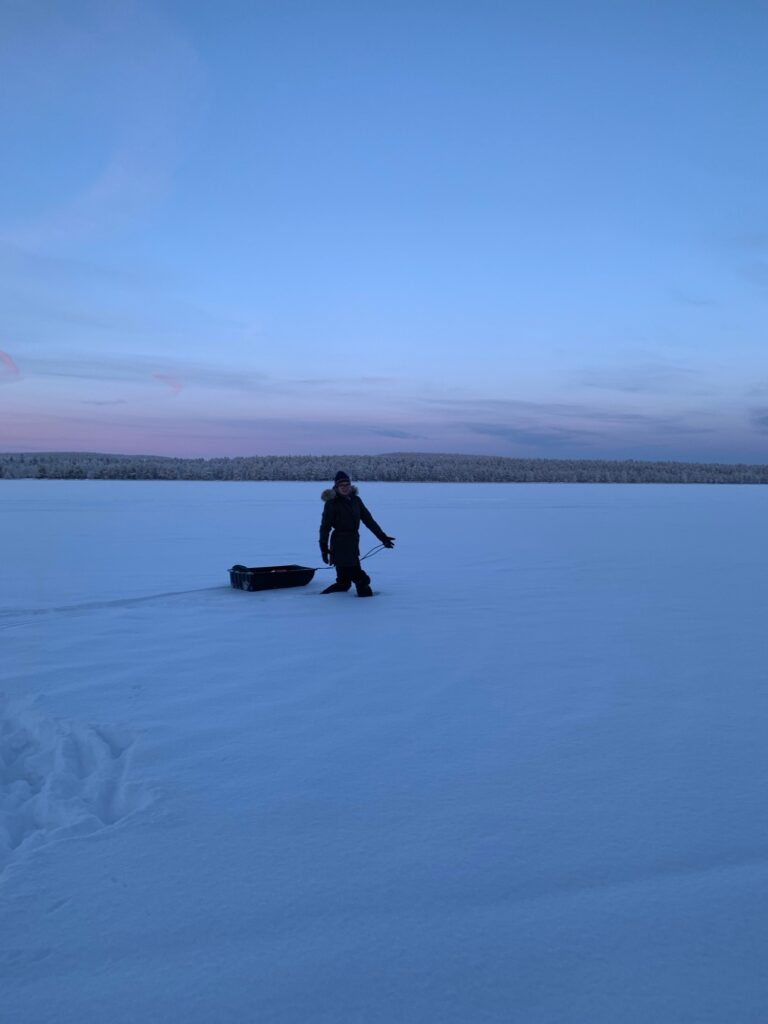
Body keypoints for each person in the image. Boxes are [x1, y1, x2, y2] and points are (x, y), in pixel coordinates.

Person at [319, 471, 395, 597]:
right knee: (359, 578)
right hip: (340, 544)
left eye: (347, 484)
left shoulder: (356, 500)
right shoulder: (332, 503)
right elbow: (325, 527)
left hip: (353, 542)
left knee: (344, 582)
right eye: (341, 485)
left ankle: (323, 599)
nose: (344, 487)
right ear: (336, 487)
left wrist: (382, 537)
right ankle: (365, 602)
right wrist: (323, 547)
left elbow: (368, 520)